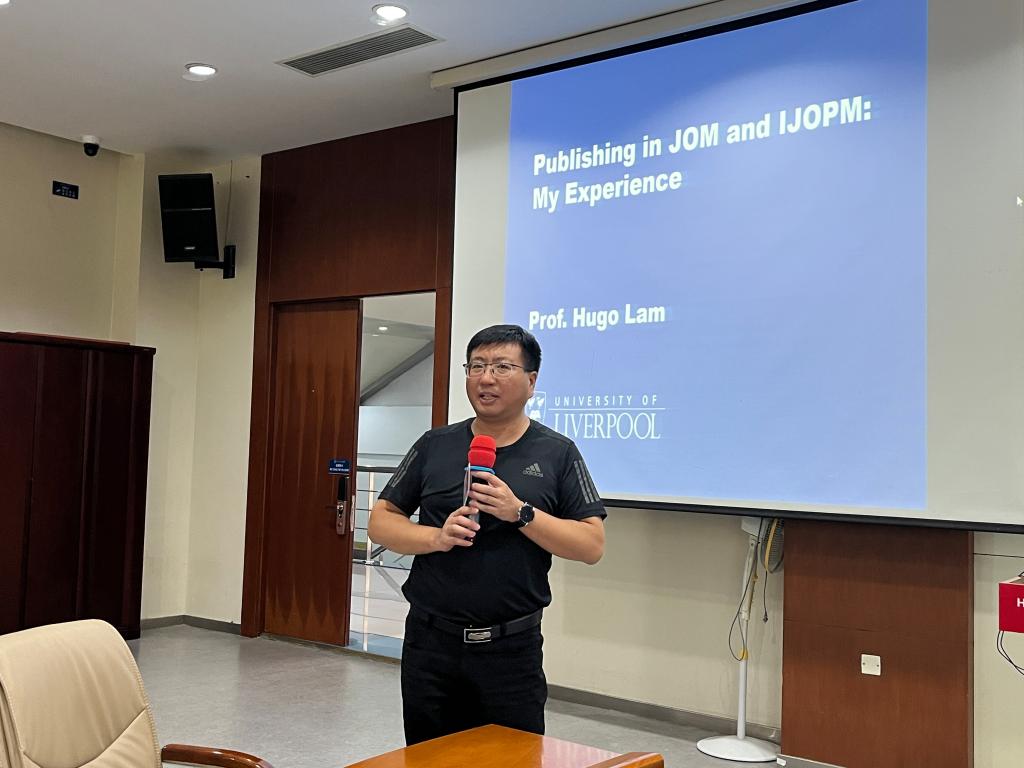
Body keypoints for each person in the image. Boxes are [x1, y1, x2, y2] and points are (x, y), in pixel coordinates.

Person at [368, 324, 607, 745]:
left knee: (511, 757)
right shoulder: (435, 444)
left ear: (531, 381)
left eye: (501, 367)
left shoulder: (557, 452)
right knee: (428, 757)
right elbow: (381, 521)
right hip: (431, 644)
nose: (486, 378)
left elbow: (591, 545)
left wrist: (521, 513)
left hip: (511, 650)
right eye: (476, 366)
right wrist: (436, 538)